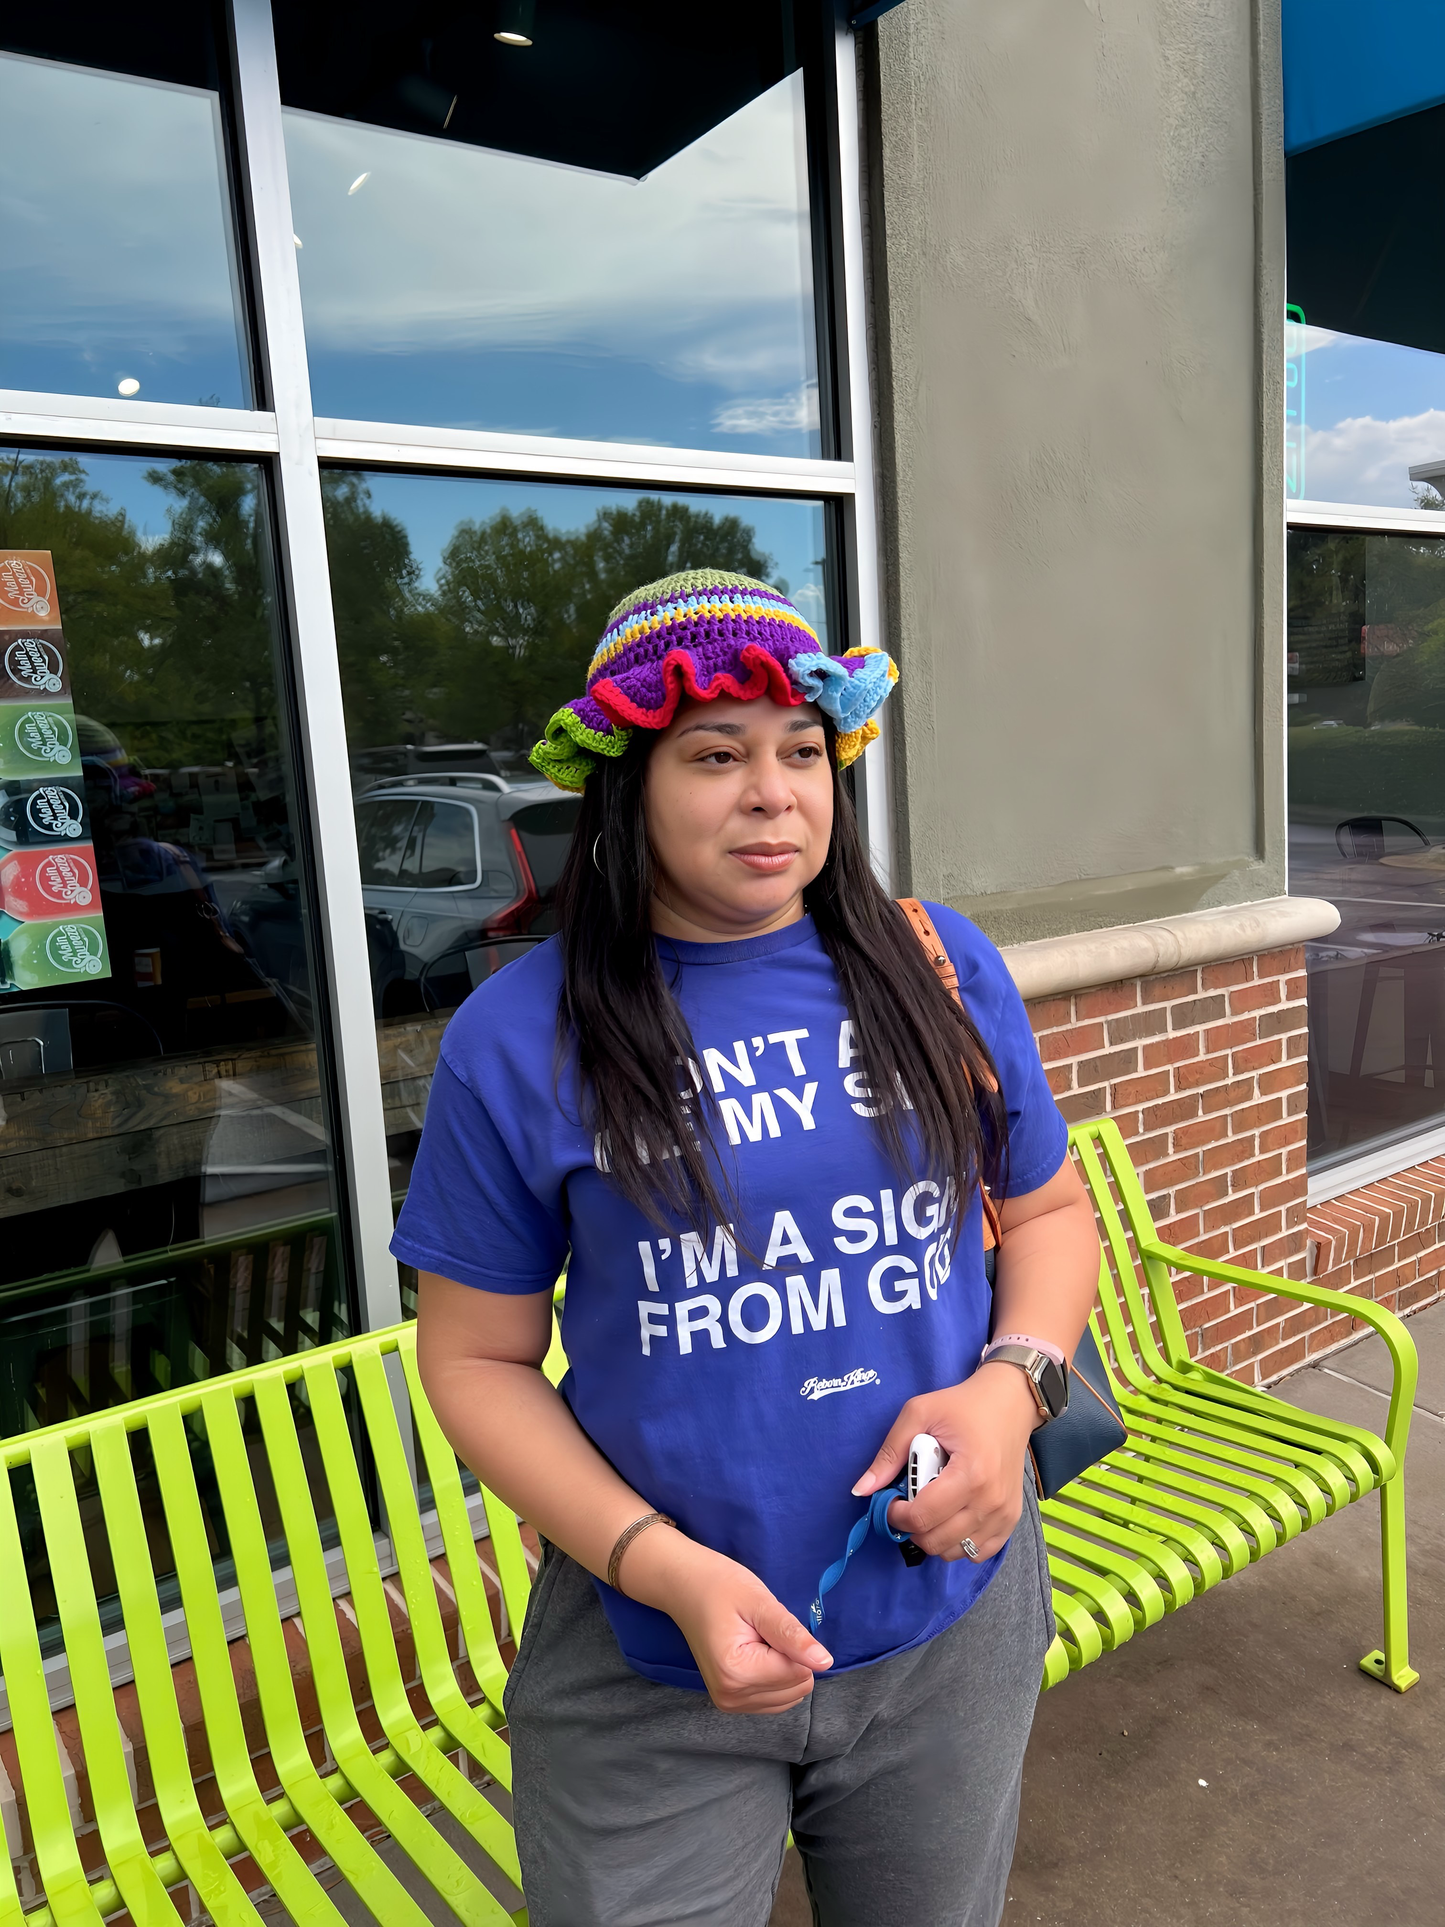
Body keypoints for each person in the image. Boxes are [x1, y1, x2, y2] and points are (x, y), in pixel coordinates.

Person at [402, 570, 1101, 1927]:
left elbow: (1055, 1214)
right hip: (646, 1653)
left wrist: (1014, 1388)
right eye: (715, 754)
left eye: (801, 751)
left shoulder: (933, 965)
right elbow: (475, 1356)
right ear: (630, 785)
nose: (773, 793)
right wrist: (663, 1564)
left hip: (947, 1620)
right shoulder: (519, 1037)